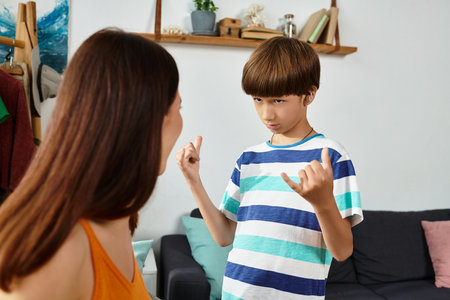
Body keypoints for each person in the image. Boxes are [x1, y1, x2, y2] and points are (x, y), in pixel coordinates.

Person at [0, 28, 182, 299]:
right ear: (147, 122)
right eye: (178, 108)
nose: (181, 122)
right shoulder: (56, 251)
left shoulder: (119, 216)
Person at [177, 36, 363, 299]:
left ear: (309, 94)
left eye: (278, 100)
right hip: (237, 292)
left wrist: (322, 204)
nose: (266, 114)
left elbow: (342, 251)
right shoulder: (249, 158)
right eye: (257, 99)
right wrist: (193, 180)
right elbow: (223, 236)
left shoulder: (330, 157)